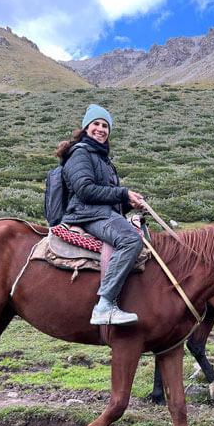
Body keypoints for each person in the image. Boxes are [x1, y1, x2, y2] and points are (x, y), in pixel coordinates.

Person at [55, 104, 145, 325]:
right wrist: (123, 193)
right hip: (86, 215)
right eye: (96, 124)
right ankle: (104, 306)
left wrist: (128, 202)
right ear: (86, 127)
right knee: (130, 240)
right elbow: (84, 190)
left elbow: (107, 199)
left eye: (105, 126)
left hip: (99, 213)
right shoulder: (81, 153)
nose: (101, 129)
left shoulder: (102, 159)